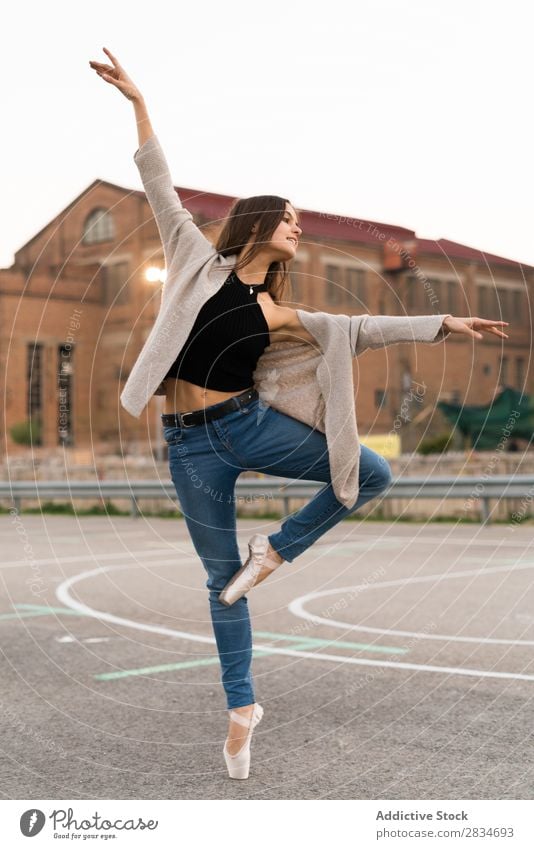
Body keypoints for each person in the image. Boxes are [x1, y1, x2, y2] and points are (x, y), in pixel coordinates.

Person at [89, 48, 510, 780]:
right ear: (257, 223)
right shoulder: (192, 257)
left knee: (368, 472)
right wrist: (137, 100)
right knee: (221, 581)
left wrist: (445, 322)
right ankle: (241, 710)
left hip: (248, 422)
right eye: (287, 220)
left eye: (298, 222)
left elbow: (362, 329)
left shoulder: (277, 311)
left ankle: (277, 550)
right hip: (190, 446)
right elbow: (158, 179)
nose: (297, 229)